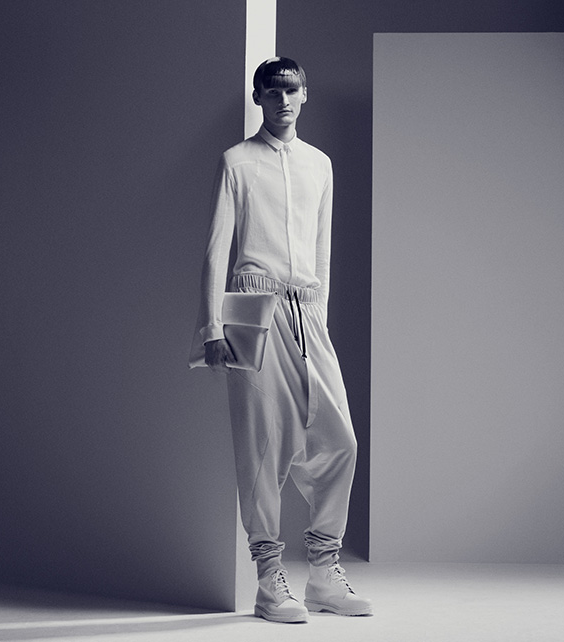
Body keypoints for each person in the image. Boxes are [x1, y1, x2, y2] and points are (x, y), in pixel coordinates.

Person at [193, 57, 372, 623]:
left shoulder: (320, 164)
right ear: (258, 97)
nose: (284, 101)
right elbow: (217, 248)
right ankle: (270, 580)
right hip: (253, 309)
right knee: (263, 448)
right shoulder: (237, 162)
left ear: (305, 95)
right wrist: (212, 327)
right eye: (274, 92)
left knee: (339, 441)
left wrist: (320, 317)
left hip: (307, 311)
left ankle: (323, 572)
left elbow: (322, 247)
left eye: (293, 91)